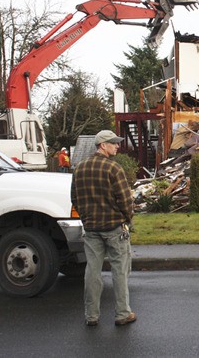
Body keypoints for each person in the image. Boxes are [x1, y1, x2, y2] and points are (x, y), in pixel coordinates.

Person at [70, 130, 136, 327]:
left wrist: (85, 218)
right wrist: (128, 218)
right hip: (114, 227)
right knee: (120, 271)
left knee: (92, 271)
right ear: (102, 146)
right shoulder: (113, 168)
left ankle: (91, 315)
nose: (117, 146)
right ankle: (122, 313)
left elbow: (74, 199)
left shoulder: (79, 168)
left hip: (91, 228)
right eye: (113, 143)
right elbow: (125, 200)